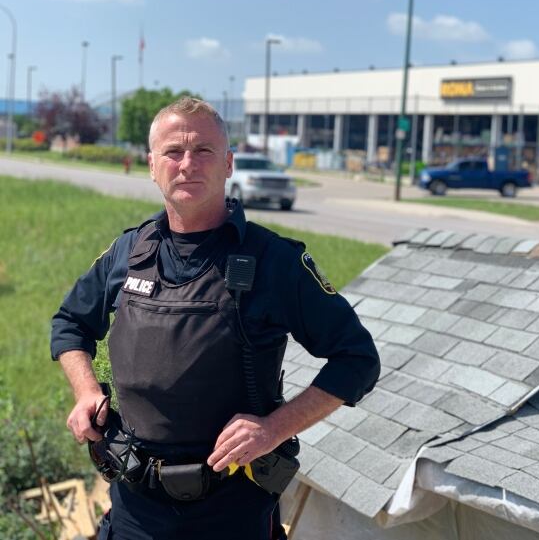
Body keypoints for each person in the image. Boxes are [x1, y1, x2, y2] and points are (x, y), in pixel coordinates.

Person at [50, 97, 380, 539]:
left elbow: (357, 359)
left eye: (203, 151)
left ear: (227, 164)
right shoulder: (128, 253)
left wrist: (273, 429)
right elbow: (70, 322)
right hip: (134, 510)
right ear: (152, 165)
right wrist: (86, 390)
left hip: (232, 511)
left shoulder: (275, 260)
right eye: (173, 152)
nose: (187, 164)